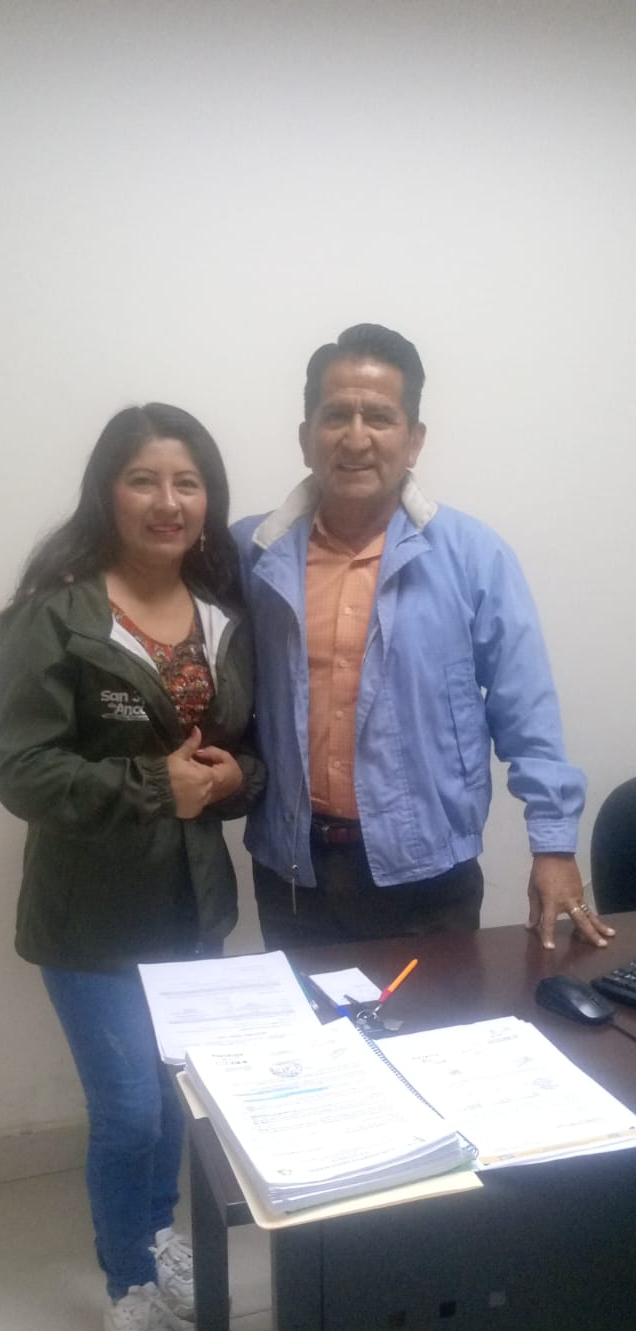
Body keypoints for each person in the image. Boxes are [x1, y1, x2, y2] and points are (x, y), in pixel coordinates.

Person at [0, 403, 264, 1331]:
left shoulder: (225, 613)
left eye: (187, 482)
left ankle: (154, 1235)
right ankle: (128, 1288)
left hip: (192, 911)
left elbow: (248, 752)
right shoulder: (55, 616)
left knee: (175, 1101)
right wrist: (158, 787)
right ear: (108, 491)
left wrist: (236, 778)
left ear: (209, 499)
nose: (167, 500)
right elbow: (19, 769)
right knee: (129, 1112)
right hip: (91, 920)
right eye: (144, 478)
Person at [232, 323, 614, 953]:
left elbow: (528, 714)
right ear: (305, 438)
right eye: (336, 416)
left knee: (433, 1021)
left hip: (428, 878)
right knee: (302, 1023)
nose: (357, 437)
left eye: (380, 417)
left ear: (414, 440)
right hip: (293, 874)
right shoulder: (253, 553)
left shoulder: (473, 556)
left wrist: (553, 845)